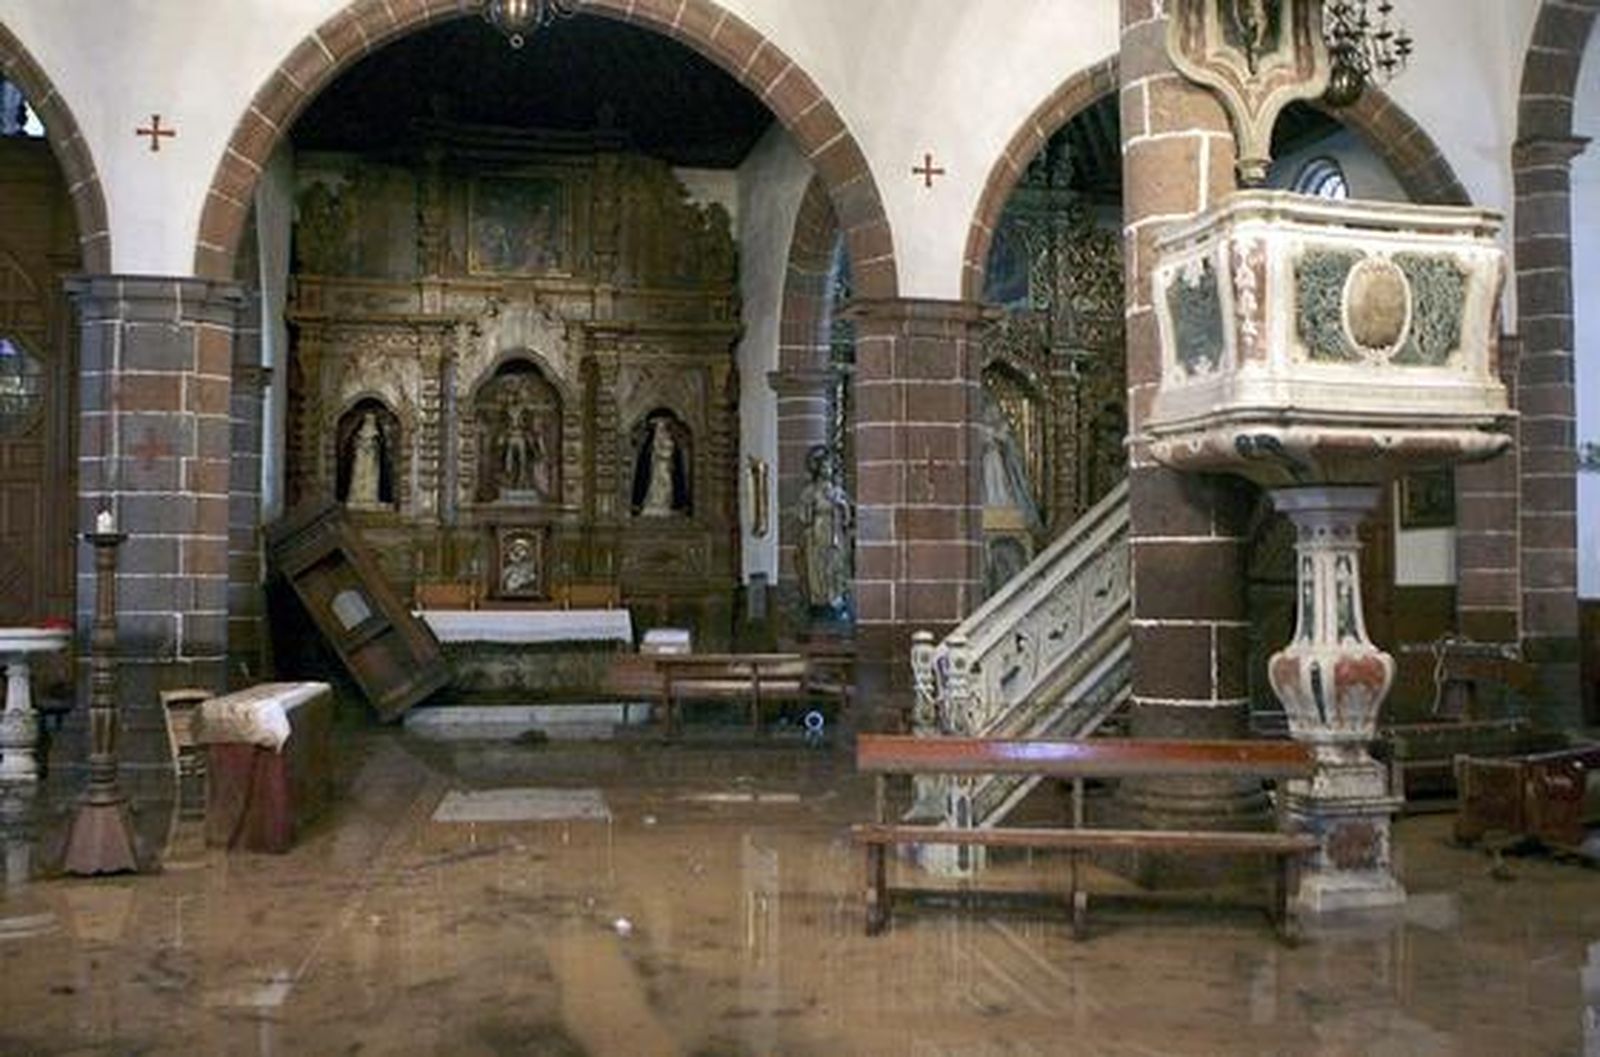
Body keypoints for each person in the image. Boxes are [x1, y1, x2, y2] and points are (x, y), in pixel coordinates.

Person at [795, 445, 852, 615]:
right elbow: (803, 516)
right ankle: (819, 601)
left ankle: (836, 597)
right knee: (818, 567)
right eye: (824, 465)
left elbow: (848, 518)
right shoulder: (810, 491)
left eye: (830, 466)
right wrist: (811, 509)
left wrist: (842, 507)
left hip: (835, 532)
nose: (828, 469)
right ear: (817, 468)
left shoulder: (837, 491)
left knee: (836, 564)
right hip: (817, 532)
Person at [639, 418, 679, 516]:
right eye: (658, 428)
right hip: (657, 467)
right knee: (655, 484)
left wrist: (667, 457)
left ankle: (665, 503)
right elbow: (651, 455)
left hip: (666, 467)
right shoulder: (653, 442)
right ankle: (655, 503)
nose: (660, 431)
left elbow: (671, 454)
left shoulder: (670, 440)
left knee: (666, 483)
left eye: (662, 428)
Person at [347, 410, 384, 507]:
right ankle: (357, 498)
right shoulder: (359, 432)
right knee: (359, 475)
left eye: (371, 419)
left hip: (371, 458)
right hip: (360, 457)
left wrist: (372, 446)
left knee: (370, 477)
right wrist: (360, 445)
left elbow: (379, 447)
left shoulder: (377, 433)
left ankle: (370, 498)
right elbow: (353, 444)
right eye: (368, 419)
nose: (369, 421)